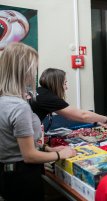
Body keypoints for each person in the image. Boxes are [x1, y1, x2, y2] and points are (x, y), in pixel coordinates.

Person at [0, 43, 76, 201]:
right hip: (23, 177)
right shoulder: (19, 106)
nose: (35, 72)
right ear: (23, 70)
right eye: (33, 67)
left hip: (8, 176)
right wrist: (59, 154)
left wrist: (45, 148)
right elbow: (29, 156)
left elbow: (16, 143)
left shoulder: (5, 100)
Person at [30, 68, 107, 131]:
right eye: (65, 83)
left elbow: (70, 115)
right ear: (56, 84)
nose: (66, 87)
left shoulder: (40, 92)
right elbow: (83, 115)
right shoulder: (48, 97)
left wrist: (96, 121)